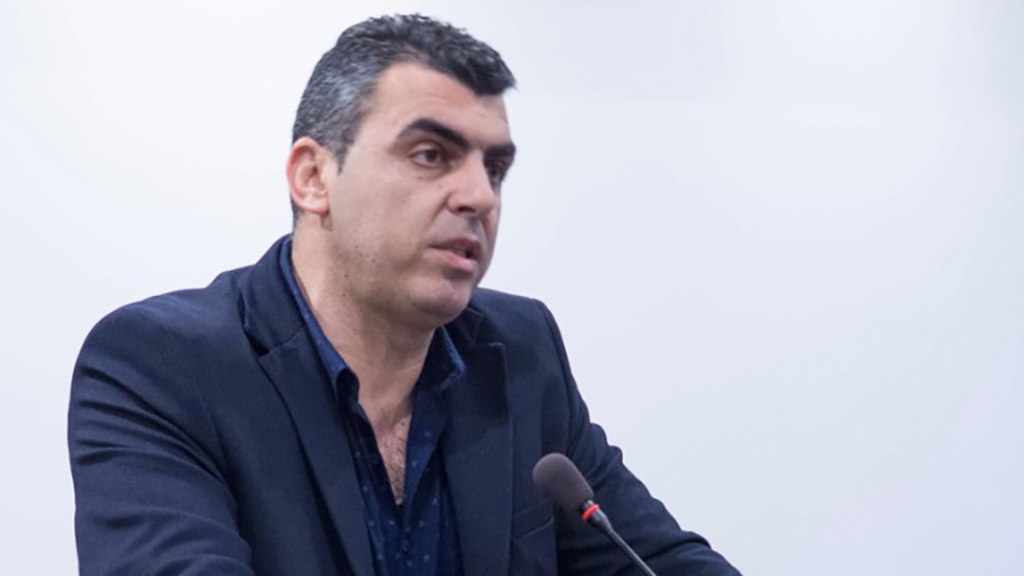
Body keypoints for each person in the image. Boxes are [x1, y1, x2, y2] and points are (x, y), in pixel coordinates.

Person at [68, 14, 740, 576]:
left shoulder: (520, 352)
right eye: (430, 155)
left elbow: (658, 561)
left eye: (494, 169)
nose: (478, 196)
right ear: (313, 177)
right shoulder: (162, 365)